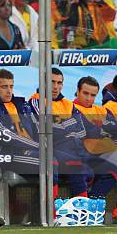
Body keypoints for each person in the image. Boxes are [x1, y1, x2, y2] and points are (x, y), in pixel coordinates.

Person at [73, 75, 117, 225]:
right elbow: (86, 130)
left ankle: (95, 208)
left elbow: (114, 128)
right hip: (83, 153)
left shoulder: (100, 109)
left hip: (105, 152)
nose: (89, 98)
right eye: (85, 93)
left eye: (93, 95)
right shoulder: (72, 108)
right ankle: (97, 210)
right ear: (77, 91)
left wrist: (97, 127)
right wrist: (99, 127)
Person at [28, 68, 91, 198]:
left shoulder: (68, 104)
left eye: (59, 83)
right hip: (49, 149)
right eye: (52, 82)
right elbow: (45, 129)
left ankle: (81, 212)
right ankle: (53, 215)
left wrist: (61, 127)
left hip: (71, 150)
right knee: (75, 166)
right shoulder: (35, 101)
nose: (56, 87)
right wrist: (69, 125)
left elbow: (82, 130)